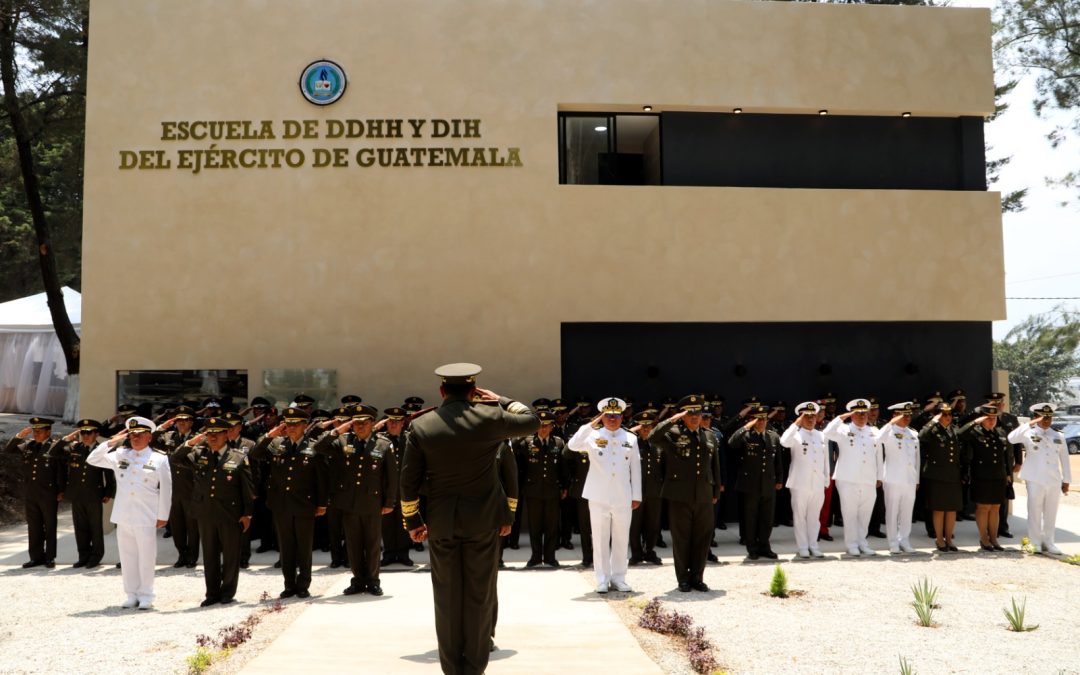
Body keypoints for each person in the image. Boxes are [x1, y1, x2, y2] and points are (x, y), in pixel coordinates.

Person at [400, 363, 538, 675]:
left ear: (441, 391)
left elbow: (408, 482)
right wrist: (501, 399)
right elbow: (531, 420)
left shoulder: (422, 426)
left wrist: (413, 521)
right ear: (475, 391)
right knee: (479, 595)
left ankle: (451, 669)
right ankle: (475, 669)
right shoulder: (490, 419)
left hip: (441, 523)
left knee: (447, 598)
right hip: (482, 523)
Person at [87, 416, 172, 609]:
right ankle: (131, 594)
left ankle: (147, 595)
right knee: (127, 557)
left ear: (149, 437)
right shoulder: (120, 455)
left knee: (146, 557)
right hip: (124, 515)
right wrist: (111, 442)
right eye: (132, 434)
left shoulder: (159, 458)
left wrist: (163, 515)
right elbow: (92, 459)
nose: (135, 438)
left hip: (146, 514)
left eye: (140, 435)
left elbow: (167, 489)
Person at [315, 404, 397, 595]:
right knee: (353, 545)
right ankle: (358, 580)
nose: (360, 426)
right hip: (349, 503)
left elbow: (392, 477)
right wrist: (338, 429)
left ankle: (373, 581)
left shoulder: (383, 444)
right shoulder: (342, 441)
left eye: (364, 423)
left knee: (373, 544)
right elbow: (319, 447)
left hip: (372, 503)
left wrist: (389, 502)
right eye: (356, 422)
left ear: (373, 423)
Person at [173, 416, 255, 606]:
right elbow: (176, 458)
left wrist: (247, 514)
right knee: (209, 556)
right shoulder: (199, 455)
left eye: (217, 434)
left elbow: (247, 489)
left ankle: (227, 592)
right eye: (209, 434)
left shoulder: (238, 457)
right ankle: (212, 593)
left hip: (230, 514)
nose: (212, 437)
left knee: (230, 556)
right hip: (205, 513)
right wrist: (192, 441)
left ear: (226, 434)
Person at [249, 406, 329, 599]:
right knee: (286, 547)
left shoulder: (313, 447)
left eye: (296, 424)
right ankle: (289, 584)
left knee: (303, 546)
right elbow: (255, 453)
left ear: (305, 426)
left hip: (304, 504)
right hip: (281, 504)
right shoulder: (277, 444)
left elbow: (321, 478)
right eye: (288, 424)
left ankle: (303, 585)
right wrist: (271, 433)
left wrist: (322, 503)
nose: (291, 428)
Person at [567, 397, 642, 594]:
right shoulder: (592, 435)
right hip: (598, 496)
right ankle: (601, 578)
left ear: (621, 417)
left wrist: (637, 495)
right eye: (608, 415)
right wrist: (591, 424)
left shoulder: (631, 438)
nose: (612, 419)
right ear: (602, 417)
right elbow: (572, 445)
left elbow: (636, 469)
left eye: (616, 415)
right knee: (599, 539)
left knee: (621, 538)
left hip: (623, 497)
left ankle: (619, 578)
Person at [649, 394, 721, 591]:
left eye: (698, 413)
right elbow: (653, 436)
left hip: (704, 495)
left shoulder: (709, 435)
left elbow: (714, 466)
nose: (695, 417)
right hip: (679, 495)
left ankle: (697, 577)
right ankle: (683, 578)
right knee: (681, 539)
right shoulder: (672, 434)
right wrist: (672, 419)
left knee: (702, 538)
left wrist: (716, 490)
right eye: (690, 413)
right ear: (683, 415)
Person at [1009, 403, 1072, 555]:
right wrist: (1028, 424)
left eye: (1049, 417)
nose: (1046, 420)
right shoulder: (1028, 432)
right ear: (1036, 418)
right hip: (1034, 478)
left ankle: (1049, 542)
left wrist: (1066, 480)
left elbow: (1065, 459)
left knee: (1051, 512)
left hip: (1053, 480)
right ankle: (1035, 542)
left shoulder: (1058, 435)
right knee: (1034, 511)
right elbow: (1011, 438)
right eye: (1043, 417)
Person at [823, 398, 883, 556]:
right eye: (858, 413)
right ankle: (851, 544)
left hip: (868, 478)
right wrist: (841, 417)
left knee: (865, 513)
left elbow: (879, 455)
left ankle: (862, 542)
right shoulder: (843, 429)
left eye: (864, 413)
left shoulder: (874, 431)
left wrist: (879, 476)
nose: (862, 416)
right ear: (852, 415)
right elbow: (827, 433)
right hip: (847, 478)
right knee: (850, 513)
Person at [5, 417, 67, 568]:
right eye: (34, 431)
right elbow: (9, 449)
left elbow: (62, 471)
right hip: (31, 492)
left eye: (39, 431)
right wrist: (20, 436)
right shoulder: (29, 445)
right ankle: (36, 557)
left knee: (50, 525)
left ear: (48, 431)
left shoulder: (54, 447)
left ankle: (50, 557)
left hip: (48, 493)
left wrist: (61, 491)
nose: (36, 434)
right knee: (34, 526)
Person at [728, 404, 784, 561]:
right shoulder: (746, 435)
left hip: (768, 483)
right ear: (752, 420)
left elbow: (777, 461)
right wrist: (746, 427)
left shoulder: (773, 436)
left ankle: (765, 546)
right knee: (751, 518)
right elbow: (732, 443)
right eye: (758, 420)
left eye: (764, 419)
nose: (761, 422)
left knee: (767, 518)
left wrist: (779, 479)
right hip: (750, 484)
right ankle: (752, 548)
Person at [514, 410, 566, 567]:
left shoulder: (558, 443)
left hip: (552, 490)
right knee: (534, 525)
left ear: (552, 427)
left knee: (551, 525)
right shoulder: (526, 443)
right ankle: (536, 556)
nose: (543, 429)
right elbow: (520, 467)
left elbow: (563, 468)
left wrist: (564, 486)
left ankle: (550, 557)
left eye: (547, 426)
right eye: (541, 426)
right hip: (533, 490)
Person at [61, 419, 115, 568]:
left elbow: (109, 473)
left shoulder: (102, 450)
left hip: (94, 493)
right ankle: (83, 555)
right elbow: (57, 452)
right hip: (77, 493)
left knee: (95, 527)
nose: (85, 435)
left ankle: (96, 556)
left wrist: (108, 492)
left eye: (89, 432)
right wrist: (66, 439)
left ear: (96, 434)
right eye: (83, 432)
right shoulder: (74, 448)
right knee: (80, 527)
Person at [960, 405, 1013, 552]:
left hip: (998, 476)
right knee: (983, 508)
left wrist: (1008, 474)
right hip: (981, 476)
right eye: (988, 418)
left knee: (995, 507)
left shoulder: (1000, 432)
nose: (991, 421)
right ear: (982, 419)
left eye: (994, 418)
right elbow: (960, 434)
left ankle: (994, 538)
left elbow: (1006, 456)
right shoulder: (975, 433)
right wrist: (975, 422)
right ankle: (984, 538)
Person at [779, 402, 829, 558]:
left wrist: (826, 479)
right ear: (800, 417)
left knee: (814, 517)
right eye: (807, 416)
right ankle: (802, 547)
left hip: (817, 482)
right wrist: (796, 423)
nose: (811, 419)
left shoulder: (821, 435)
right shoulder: (795, 434)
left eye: (813, 416)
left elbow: (825, 460)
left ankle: (813, 545)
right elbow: (784, 441)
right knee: (800, 516)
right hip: (800, 482)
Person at [153, 405, 200, 568]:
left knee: (192, 526)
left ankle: (192, 556)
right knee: (176, 526)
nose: (181, 423)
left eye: (185, 420)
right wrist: (162, 426)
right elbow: (150, 440)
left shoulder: (198, 438)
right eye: (178, 420)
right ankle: (182, 554)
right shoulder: (169, 436)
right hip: (171, 490)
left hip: (191, 488)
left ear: (191, 422)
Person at [875, 402, 920, 554]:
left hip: (909, 479)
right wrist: (890, 424)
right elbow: (877, 439)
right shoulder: (888, 432)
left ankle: (905, 540)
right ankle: (893, 542)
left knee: (907, 512)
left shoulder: (913, 434)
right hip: (893, 478)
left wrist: (917, 479)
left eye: (909, 415)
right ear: (895, 415)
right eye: (903, 415)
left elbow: (917, 459)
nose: (907, 418)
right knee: (892, 511)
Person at [918, 403, 963, 551]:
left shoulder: (953, 430)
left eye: (949, 414)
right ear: (937, 415)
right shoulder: (933, 430)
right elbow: (921, 436)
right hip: (937, 475)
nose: (948, 417)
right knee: (939, 509)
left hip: (952, 475)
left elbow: (963, 438)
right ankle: (939, 539)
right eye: (944, 414)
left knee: (951, 509)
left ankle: (949, 539)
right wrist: (933, 421)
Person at [379, 407, 415, 567]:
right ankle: (388, 553)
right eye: (390, 421)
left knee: (404, 521)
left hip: (404, 488)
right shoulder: (380, 439)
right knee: (386, 523)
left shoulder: (410, 439)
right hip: (385, 488)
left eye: (396, 421)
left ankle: (403, 553)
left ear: (403, 423)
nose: (393, 424)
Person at [629, 411, 664, 565]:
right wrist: (633, 429)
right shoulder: (632, 444)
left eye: (648, 426)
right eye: (642, 426)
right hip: (636, 491)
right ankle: (636, 553)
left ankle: (649, 551)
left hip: (654, 491)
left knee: (653, 524)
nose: (645, 429)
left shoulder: (659, 444)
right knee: (635, 525)